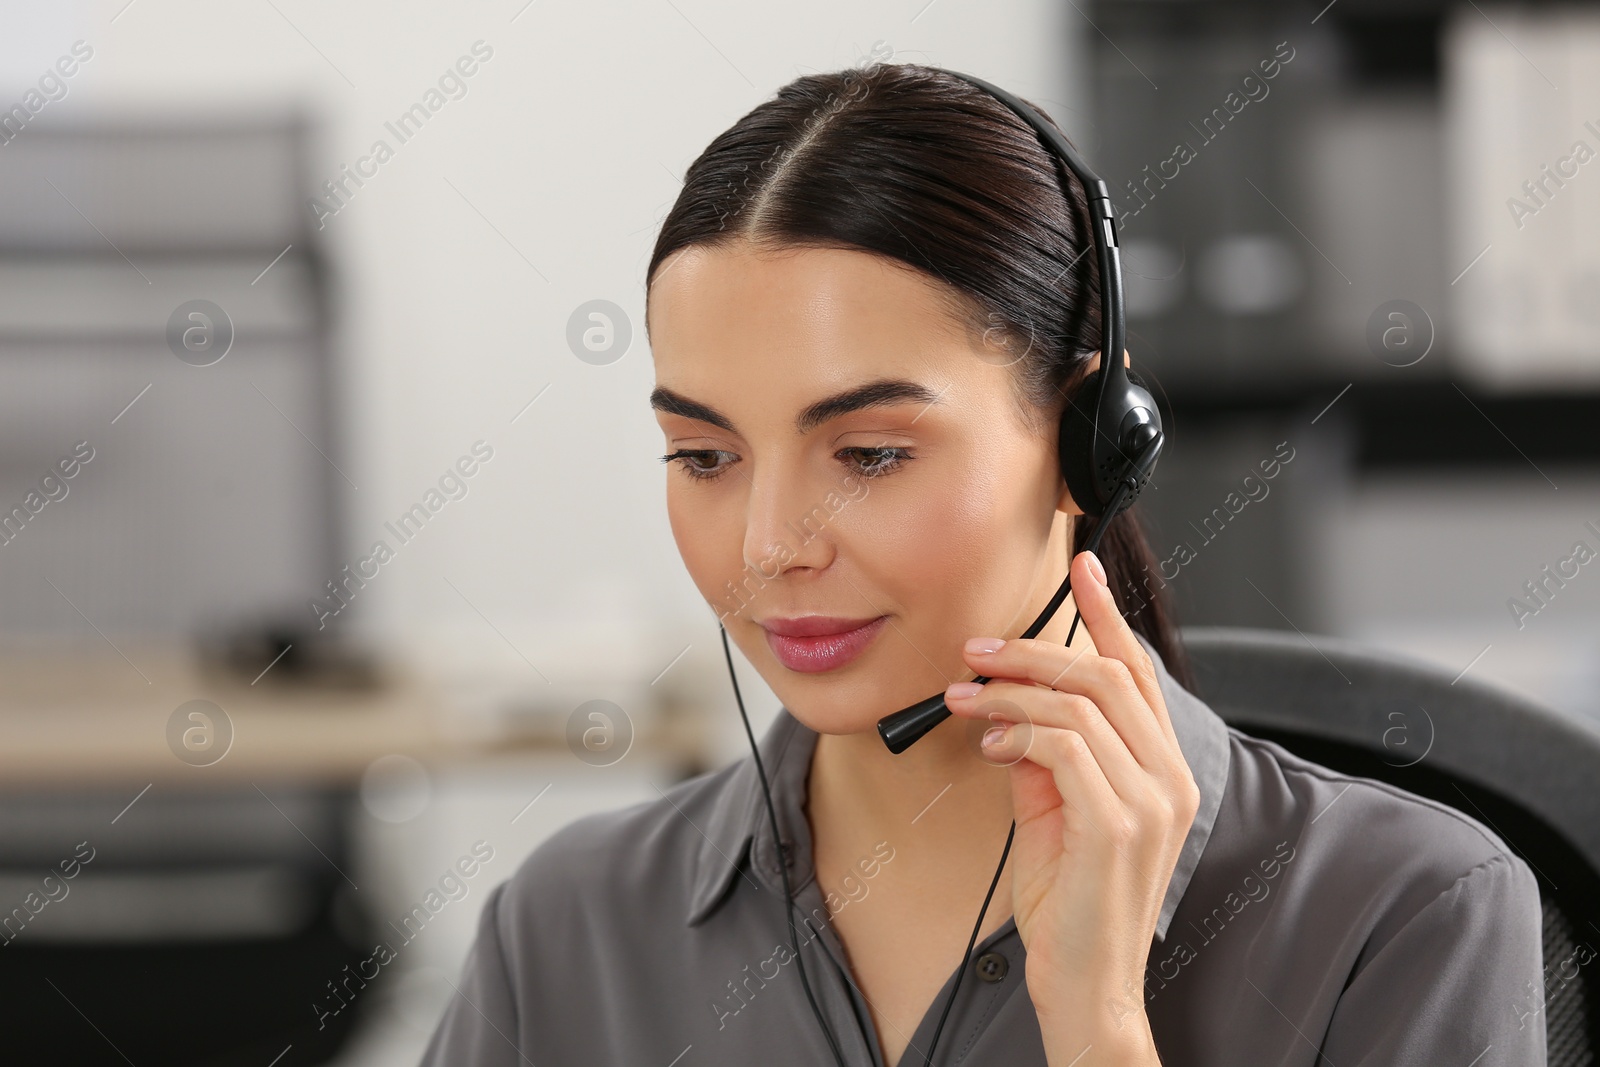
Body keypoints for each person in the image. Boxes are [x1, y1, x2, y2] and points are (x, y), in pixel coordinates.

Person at [419, 63, 1546, 1066]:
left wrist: (1099, 1021)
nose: (768, 546)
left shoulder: (1402, 914)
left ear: (1086, 441)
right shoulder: (565, 928)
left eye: (867, 454)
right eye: (703, 455)